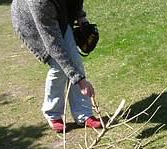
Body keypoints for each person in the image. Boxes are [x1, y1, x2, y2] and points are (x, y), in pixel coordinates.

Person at [11, 0, 102, 132]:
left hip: (60, 13)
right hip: (31, 22)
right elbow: (54, 46)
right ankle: (52, 114)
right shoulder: (39, 3)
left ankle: (83, 114)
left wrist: (80, 16)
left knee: (76, 61)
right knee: (59, 67)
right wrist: (81, 82)